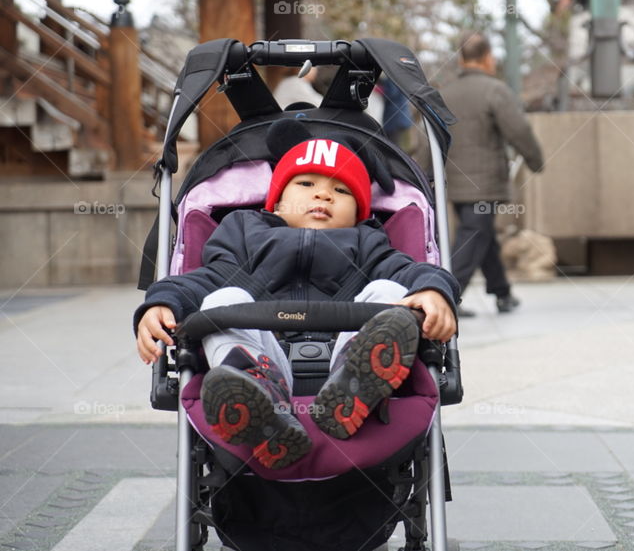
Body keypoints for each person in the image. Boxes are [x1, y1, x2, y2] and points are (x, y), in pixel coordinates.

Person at [134, 122, 460, 469]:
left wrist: (433, 291)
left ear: (360, 213)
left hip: (343, 354)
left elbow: (408, 270)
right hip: (265, 353)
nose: (323, 195)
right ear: (275, 202)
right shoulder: (244, 233)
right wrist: (160, 303)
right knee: (219, 300)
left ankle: (356, 379)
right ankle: (254, 394)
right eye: (306, 184)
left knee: (391, 292)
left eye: (342, 190)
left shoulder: (368, 242)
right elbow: (204, 280)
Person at [442, 32, 544, 316]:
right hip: (484, 184)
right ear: (488, 58)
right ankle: (446, 297)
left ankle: (502, 292)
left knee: (481, 234)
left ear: (461, 59)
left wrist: (424, 174)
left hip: (454, 181)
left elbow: (426, 139)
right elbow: (518, 130)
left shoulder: (443, 94)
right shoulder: (494, 90)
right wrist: (535, 160)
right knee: (474, 234)